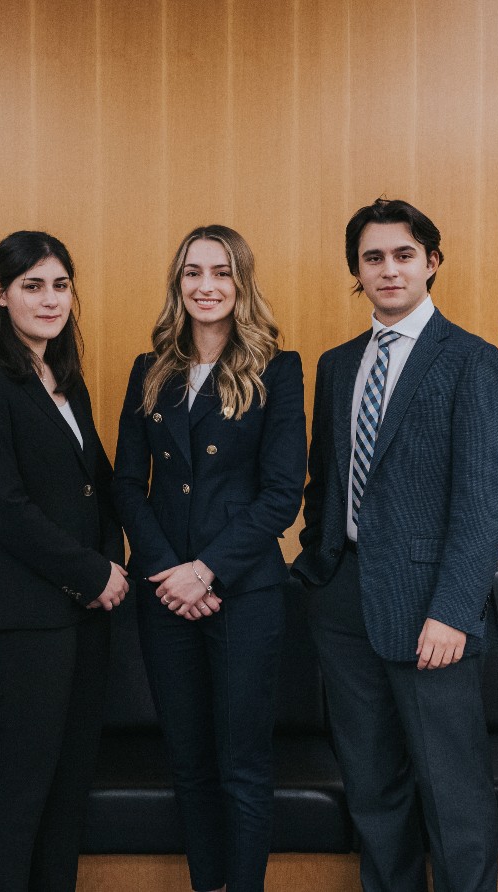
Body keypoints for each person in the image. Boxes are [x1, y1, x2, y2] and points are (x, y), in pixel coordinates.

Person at [293, 199, 498, 892]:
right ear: (356, 272)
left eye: (403, 255)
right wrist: (317, 563)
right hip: (343, 602)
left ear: (432, 263)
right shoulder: (337, 365)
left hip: (432, 615)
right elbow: (326, 480)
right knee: (372, 788)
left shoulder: (473, 362)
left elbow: (484, 501)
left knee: (453, 796)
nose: (388, 269)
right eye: (372, 258)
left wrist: (454, 610)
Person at [113, 225, 306, 892]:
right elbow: (125, 486)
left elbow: (283, 494)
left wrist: (208, 570)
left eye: (221, 273)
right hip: (166, 593)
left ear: (240, 283)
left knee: (243, 765)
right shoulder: (151, 370)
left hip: (244, 592)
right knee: (189, 763)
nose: (206, 286)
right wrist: (171, 572)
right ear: (178, 285)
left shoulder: (279, 369)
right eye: (193, 273)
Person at [0, 231, 127, 892]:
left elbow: (101, 490)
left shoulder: (66, 381)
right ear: (0, 293)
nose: (49, 300)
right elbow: (6, 509)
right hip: (24, 621)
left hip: (86, 617)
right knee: (22, 792)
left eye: (59, 285)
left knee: (68, 789)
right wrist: (92, 575)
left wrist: (111, 568)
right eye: (31, 285)